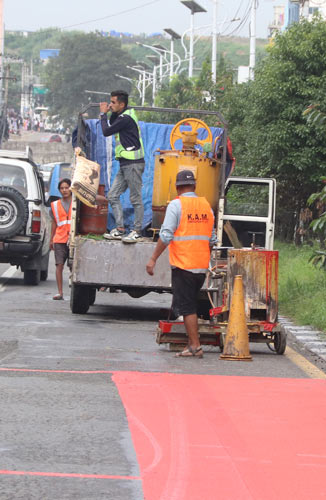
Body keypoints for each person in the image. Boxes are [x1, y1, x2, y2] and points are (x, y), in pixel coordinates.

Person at [146, 171, 216, 358]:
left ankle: (195, 346)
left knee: (187, 307)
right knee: (189, 304)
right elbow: (212, 238)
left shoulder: (176, 205)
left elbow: (166, 235)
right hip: (201, 266)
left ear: (177, 187)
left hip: (184, 264)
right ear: (194, 186)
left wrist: (153, 258)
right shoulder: (206, 206)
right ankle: (191, 344)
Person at [100, 90, 145, 244]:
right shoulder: (122, 116)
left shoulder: (126, 118)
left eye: (113, 102)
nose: (110, 105)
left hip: (133, 163)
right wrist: (110, 113)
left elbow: (106, 130)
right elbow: (112, 123)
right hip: (124, 163)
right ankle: (120, 229)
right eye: (110, 102)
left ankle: (137, 231)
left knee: (136, 198)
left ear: (122, 104)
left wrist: (102, 115)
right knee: (112, 195)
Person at [49, 178, 73, 301]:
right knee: (59, 265)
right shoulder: (55, 205)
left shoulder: (76, 203)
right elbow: (54, 223)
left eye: (66, 187)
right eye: (62, 188)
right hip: (59, 239)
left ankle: (74, 291)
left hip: (73, 239)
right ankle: (60, 292)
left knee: (73, 266)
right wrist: (51, 239)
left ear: (71, 188)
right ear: (59, 190)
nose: (64, 190)